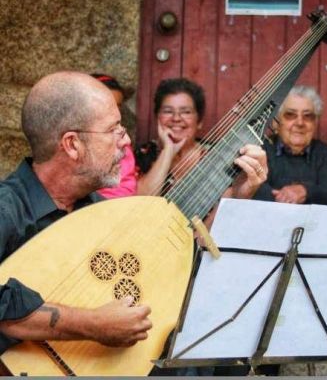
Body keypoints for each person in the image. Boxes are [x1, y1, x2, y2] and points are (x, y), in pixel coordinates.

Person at [0, 71, 267, 363]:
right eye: (114, 130)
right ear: (72, 144)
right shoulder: (7, 209)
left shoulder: (99, 211)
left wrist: (235, 197)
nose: (126, 140)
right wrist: (90, 324)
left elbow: (165, 264)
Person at [136, 77, 267, 203]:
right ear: (157, 118)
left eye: (186, 112)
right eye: (168, 111)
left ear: (199, 122)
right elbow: (138, 203)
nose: (176, 118)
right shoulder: (144, 154)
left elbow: (227, 203)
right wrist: (168, 151)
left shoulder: (218, 155)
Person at [253, 85, 327, 206]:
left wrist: (306, 191)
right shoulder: (259, 150)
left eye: (308, 116)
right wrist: (283, 198)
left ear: (315, 122)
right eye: (290, 115)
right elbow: (250, 190)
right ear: (277, 121)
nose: (300, 122)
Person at [91, 74, 138, 198]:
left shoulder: (122, 142)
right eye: (109, 106)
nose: (115, 112)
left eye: (119, 106)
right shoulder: (83, 141)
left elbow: (128, 186)